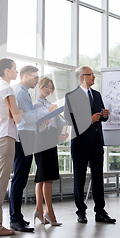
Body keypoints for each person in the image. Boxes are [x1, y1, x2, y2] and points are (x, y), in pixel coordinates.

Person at [64, 66, 116, 224]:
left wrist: (104, 116)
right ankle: (81, 211)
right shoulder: (71, 96)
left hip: (96, 142)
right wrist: (89, 119)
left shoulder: (97, 94)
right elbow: (68, 119)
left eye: (94, 74)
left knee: (98, 178)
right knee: (79, 178)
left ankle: (100, 211)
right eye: (91, 75)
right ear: (81, 77)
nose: (94, 77)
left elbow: (99, 117)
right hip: (80, 142)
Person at [10, 66, 57, 232]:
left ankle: (17, 217)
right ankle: (15, 218)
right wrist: (47, 112)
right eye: (35, 77)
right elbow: (25, 117)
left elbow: (29, 117)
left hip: (27, 135)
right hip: (24, 136)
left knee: (21, 177)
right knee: (19, 177)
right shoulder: (21, 93)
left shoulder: (24, 93)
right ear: (25, 76)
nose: (37, 80)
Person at [0, 58, 23, 236]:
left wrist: (15, 112)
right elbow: (17, 118)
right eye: (15, 69)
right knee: (0, 185)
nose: (17, 72)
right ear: (7, 71)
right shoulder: (8, 89)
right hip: (5, 139)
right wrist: (20, 112)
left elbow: (11, 114)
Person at [32, 77, 68, 226]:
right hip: (41, 140)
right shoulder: (36, 105)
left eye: (51, 88)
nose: (48, 89)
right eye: (46, 86)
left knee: (45, 177)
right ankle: (49, 212)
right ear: (39, 86)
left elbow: (53, 125)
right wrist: (48, 113)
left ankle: (39, 210)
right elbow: (38, 125)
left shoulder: (50, 105)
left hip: (50, 140)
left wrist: (60, 135)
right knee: (45, 177)